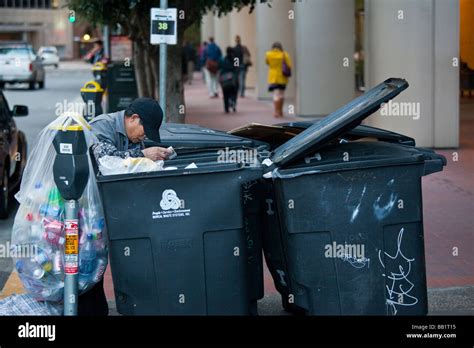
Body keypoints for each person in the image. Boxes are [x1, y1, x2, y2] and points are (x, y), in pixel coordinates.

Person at [90, 97, 172, 162]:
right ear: (134, 118)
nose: (144, 137)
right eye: (145, 131)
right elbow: (107, 160)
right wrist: (143, 155)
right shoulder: (103, 125)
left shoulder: (134, 137)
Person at [265, 42, 293, 118]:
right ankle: (280, 111)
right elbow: (290, 65)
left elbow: (267, 63)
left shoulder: (268, 54)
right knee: (282, 94)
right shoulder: (284, 54)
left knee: (276, 95)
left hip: (273, 77)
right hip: (282, 77)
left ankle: (276, 111)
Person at [218, 47, 239, 113]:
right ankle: (233, 102)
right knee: (234, 91)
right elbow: (237, 68)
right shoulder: (236, 59)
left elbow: (219, 67)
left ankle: (226, 108)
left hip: (224, 78)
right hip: (233, 78)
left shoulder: (222, 59)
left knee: (225, 93)